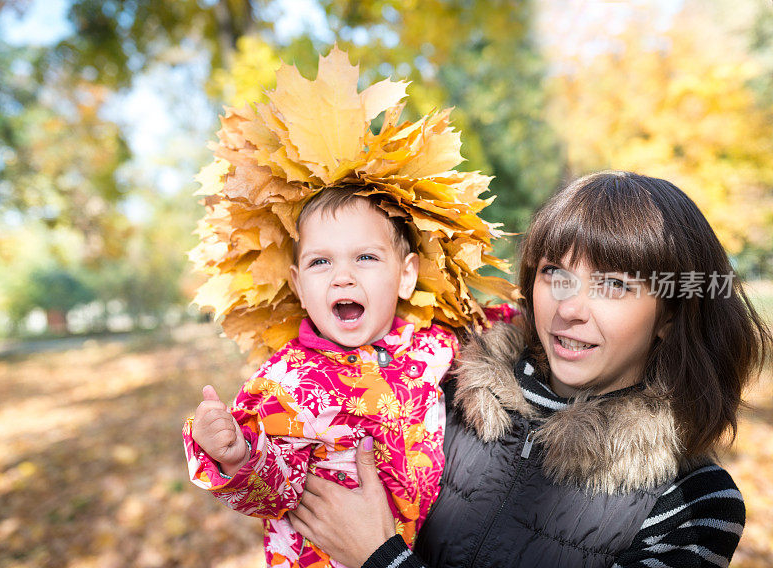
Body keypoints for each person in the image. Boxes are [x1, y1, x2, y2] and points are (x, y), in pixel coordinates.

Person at [288, 171, 772, 568]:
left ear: (669, 314)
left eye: (613, 285)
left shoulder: (694, 506)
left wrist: (381, 560)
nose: (570, 308)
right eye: (555, 273)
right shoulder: (442, 392)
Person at [182, 46, 518, 568]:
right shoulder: (287, 383)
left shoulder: (431, 344)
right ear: (297, 283)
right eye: (320, 263)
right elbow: (274, 490)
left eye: (365, 257)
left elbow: (495, 329)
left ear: (405, 276)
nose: (343, 275)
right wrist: (235, 456)